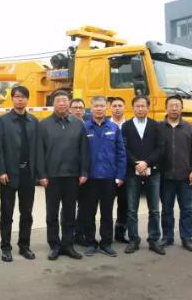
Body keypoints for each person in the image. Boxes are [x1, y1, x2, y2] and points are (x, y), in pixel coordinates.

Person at [38, 90, 89, 260]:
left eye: (64, 100)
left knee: (69, 212)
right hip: (52, 177)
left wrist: (84, 171)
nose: (61, 103)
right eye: (58, 101)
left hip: (72, 176)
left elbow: (84, 149)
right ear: (53, 104)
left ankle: (68, 244)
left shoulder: (78, 124)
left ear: (69, 104)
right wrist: (42, 175)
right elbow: (39, 152)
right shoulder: (44, 124)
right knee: (52, 213)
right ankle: (54, 245)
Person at [0, 86, 39, 262]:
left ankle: (24, 245)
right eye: (17, 96)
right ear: (12, 99)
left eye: (23, 97)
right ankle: (6, 247)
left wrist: (38, 172)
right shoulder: (3, 121)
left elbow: (37, 148)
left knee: (27, 213)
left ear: (27, 99)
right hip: (9, 174)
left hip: (28, 173)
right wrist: (1, 171)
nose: (20, 99)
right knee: (7, 213)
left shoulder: (34, 121)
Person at [82, 96, 126, 258]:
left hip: (109, 178)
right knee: (89, 213)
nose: (99, 108)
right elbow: (80, 153)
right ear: (91, 108)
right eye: (96, 106)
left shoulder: (114, 128)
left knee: (107, 213)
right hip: (90, 178)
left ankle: (106, 243)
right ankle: (91, 242)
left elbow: (121, 154)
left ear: (106, 107)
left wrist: (120, 175)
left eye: (102, 106)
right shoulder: (85, 128)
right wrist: (82, 173)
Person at [122, 96, 165, 255]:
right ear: (133, 108)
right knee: (132, 209)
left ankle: (154, 240)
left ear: (148, 107)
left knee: (154, 209)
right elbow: (124, 148)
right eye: (137, 106)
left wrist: (146, 162)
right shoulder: (126, 126)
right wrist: (136, 163)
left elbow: (160, 148)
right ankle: (134, 240)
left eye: (143, 106)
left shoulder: (156, 125)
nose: (140, 109)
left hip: (153, 172)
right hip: (132, 173)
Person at [158, 95, 192, 252]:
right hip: (165, 177)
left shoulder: (190, 128)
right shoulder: (158, 127)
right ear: (166, 108)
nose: (174, 108)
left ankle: (186, 238)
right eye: (171, 105)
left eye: (177, 105)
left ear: (182, 108)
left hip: (185, 177)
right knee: (166, 209)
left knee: (186, 209)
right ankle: (167, 237)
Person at [109, 96, 129, 244]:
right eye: (114, 106)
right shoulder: (105, 125)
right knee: (107, 205)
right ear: (110, 108)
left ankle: (120, 233)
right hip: (108, 173)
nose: (117, 108)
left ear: (124, 107)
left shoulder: (129, 126)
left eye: (120, 105)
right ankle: (106, 235)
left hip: (126, 172)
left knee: (124, 204)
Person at [69, 97, 88, 246]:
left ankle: (79, 234)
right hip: (69, 173)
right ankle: (67, 235)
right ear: (70, 109)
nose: (78, 110)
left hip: (85, 174)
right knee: (68, 206)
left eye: (81, 108)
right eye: (75, 107)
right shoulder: (65, 125)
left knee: (84, 206)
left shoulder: (89, 126)